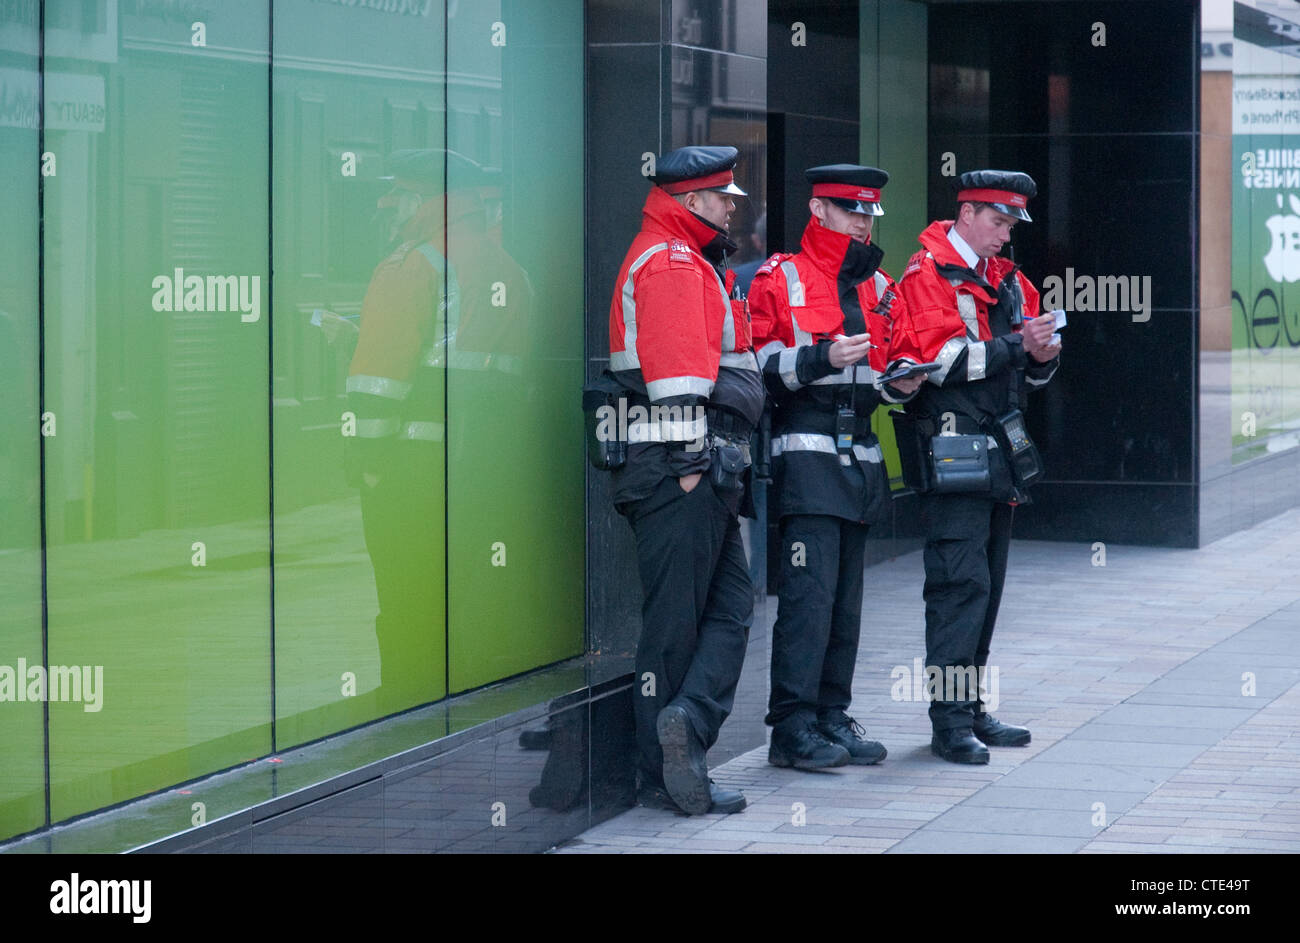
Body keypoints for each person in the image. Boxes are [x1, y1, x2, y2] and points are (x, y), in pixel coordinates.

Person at [748, 164, 925, 769]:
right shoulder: (781, 277)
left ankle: (829, 715)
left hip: (861, 461)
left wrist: (904, 383)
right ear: (818, 211)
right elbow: (758, 367)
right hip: (805, 458)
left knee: (846, 602)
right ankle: (790, 727)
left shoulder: (879, 287)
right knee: (807, 599)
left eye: (868, 212)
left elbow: (891, 369)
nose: (861, 221)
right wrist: (821, 357)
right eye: (849, 210)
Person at [607, 145, 765, 815]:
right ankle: (667, 773)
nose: (732, 206)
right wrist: (695, 468)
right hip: (682, 471)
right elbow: (675, 384)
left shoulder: (688, 259)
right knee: (673, 629)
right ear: (691, 201)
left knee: (731, 608)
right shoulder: (672, 263)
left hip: (696, 471)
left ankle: (686, 725)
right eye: (723, 196)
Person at [889, 169, 1061, 764]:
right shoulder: (927, 272)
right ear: (966, 214)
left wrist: (1042, 356)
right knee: (959, 587)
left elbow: (1028, 369)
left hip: (999, 455)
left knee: (985, 589)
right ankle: (950, 722)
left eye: (1012, 225)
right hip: (953, 449)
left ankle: (971, 706)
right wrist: (1020, 348)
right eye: (997, 221)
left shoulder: (1008, 279)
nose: (1005, 235)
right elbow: (941, 362)